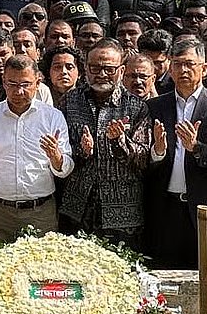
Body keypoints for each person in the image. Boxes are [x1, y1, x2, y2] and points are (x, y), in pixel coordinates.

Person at [143, 39, 207, 268]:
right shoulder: (155, 106)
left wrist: (196, 148)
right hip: (164, 207)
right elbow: (145, 160)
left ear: (204, 68)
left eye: (189, 64)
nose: (183, 70)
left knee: (204, 275)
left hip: (203, 208)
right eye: (177, 64)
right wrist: (158, 151)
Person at [0, 55, 72, 244]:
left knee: (42, 269)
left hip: (41, 212)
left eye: (25, 84)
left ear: (38, 82)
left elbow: (65, 169)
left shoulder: (53, 117)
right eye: (12, 84)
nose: (19, 91)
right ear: (3, 83)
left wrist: (56, 158)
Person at [60, 40, 151, 246]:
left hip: (122, 212)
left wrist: (119, 142)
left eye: (109, 69)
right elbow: (58, 154)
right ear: (85, 68)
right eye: (95, 68)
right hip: (77, 207)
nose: (101, 74)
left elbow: (144, 160)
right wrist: (82, 151)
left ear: (121, 70)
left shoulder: (137, 107)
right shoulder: (69, 101)